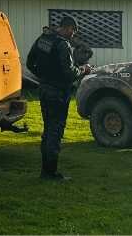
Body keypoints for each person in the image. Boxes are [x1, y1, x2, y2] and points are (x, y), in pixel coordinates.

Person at [27, 15, 92, 180]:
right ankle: (51, 173)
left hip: (44, 90)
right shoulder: (62, 45)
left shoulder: (43, 39)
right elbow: (69, 73)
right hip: (58, 93)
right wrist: (84, 69)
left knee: (48, 130)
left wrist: (43, 77)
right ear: (67, 27)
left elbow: (29, 63)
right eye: (73, 30)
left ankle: (45, 170)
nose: (73, 34)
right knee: (55, 132)